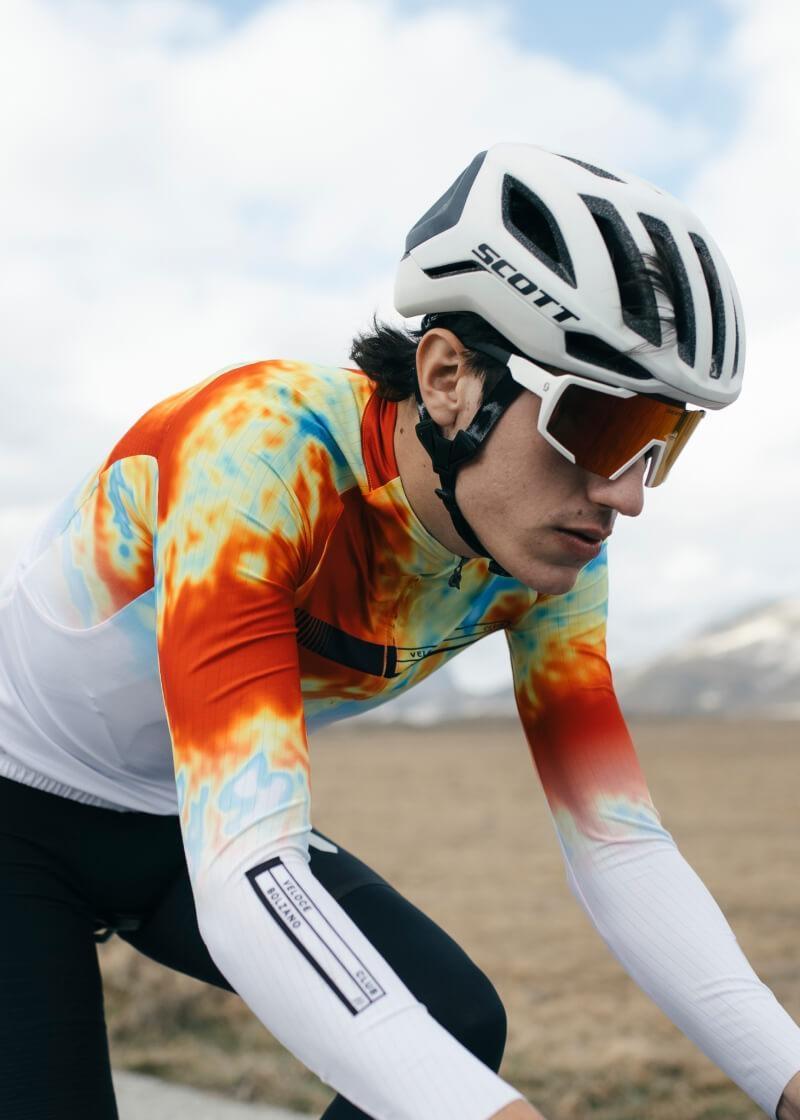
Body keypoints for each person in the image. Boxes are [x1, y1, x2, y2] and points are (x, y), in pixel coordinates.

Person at [0, 143, 798, 1120]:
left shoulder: (549, 549)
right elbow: (248, 871)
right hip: (17, 804)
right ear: (449, 375)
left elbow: (618, 843)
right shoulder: (262, 451)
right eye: (600, 424)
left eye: (662, 440)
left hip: (171, 813)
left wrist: (785, 1071)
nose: (626, 494)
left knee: (453, 1020)